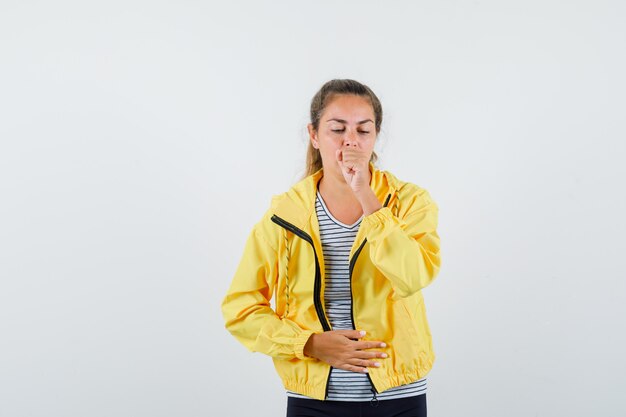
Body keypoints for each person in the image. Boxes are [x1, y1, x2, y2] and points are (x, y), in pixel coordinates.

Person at [221, 79, 441, 417]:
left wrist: (366, 195)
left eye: (363, 131)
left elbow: (412, 276)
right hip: (314, 401)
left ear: (375, 137)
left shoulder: (410, 202)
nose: (350, 140)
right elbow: (241, 309)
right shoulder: (284, 215)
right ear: (314, 135)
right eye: (337, 128)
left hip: (399, 396)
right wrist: (307, 343)